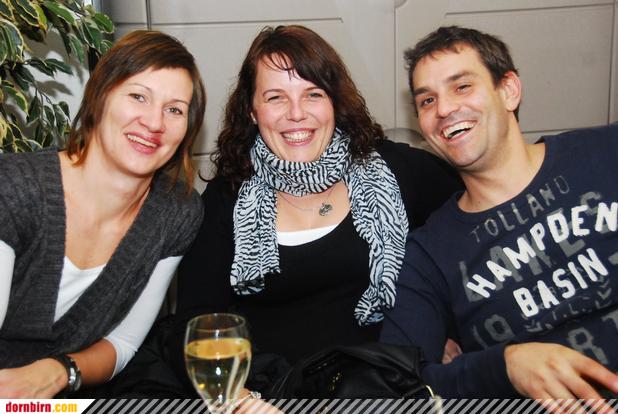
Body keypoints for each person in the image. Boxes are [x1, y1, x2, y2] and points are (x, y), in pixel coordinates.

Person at [169, 24, 462, 396]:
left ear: (334, 102)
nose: (296, 113)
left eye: (313, 94)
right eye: (275, 97)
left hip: (383, 391)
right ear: (252, 111)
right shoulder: (226, 199)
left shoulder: (397, 172)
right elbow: (193, 327)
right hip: (271, 396)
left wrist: (443, 328)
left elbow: (475, 223)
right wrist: (240, 400)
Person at [381, 25, 618, 402]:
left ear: (509, 90)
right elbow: (395, 388)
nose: (444, 109)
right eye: (427, 101)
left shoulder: (606, 152)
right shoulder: (428, 257)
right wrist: (503, 366)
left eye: (462, 86)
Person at [0, 30, 206, 398]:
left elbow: (124, 342)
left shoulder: (176, 213)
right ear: (100, 97)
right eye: (138, 96)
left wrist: (59, 371)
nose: (154, 123)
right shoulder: (15, 188)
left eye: (174, 109)